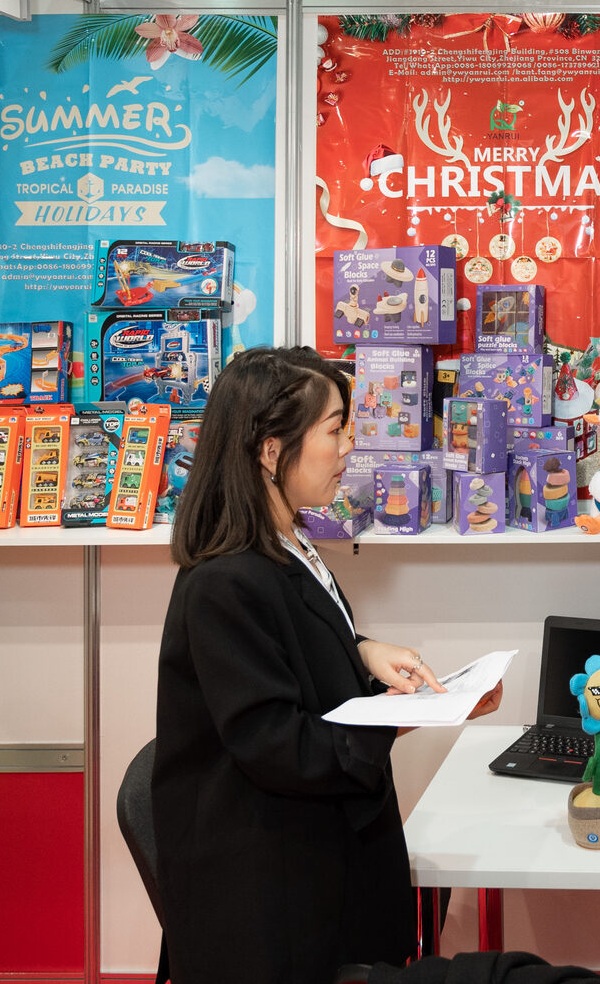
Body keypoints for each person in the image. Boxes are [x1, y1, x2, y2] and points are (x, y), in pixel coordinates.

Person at [153, 346, 501, 984]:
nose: (349, 447)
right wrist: (404, 720)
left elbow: (292, 642)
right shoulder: (224, 581)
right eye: (335, 430)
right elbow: (276, 743)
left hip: (319, 846)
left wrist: (360, 649)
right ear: (271, 451)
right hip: (274, 889)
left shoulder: (287, 540)